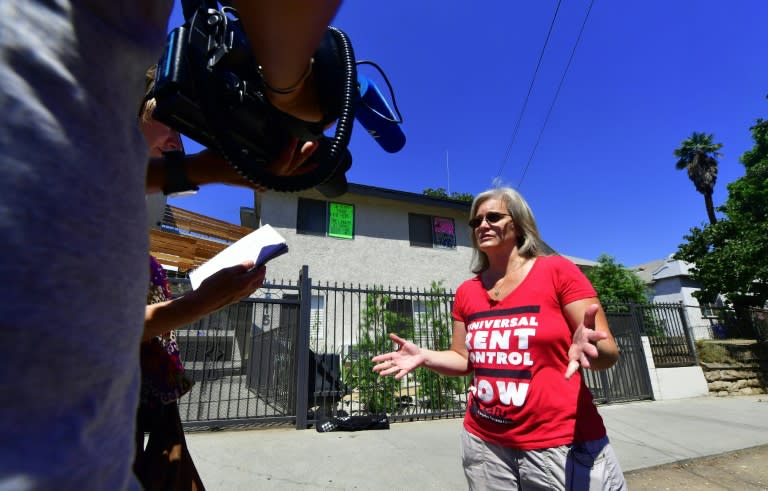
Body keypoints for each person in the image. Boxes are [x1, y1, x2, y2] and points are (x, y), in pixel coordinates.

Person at [0, 1, 342, 489]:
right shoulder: (56, 151)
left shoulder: (101, 187)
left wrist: (218, 167)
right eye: (171, 121)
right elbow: (78, 328)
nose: (179, 140)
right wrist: (291, 87)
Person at [372, 186, 627, 490]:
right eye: (475, 221)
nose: (482, 225)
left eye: (493, 217)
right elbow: (463, 359)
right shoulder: (468, 292)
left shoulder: (557, 271)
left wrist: (592, 347)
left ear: (518, 224)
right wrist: (425, 356)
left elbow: (608, 351)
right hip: (484, 445)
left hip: (559, 442)